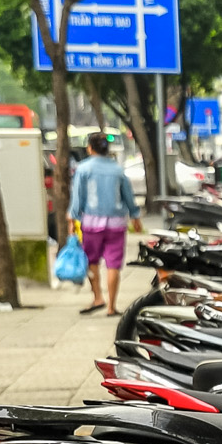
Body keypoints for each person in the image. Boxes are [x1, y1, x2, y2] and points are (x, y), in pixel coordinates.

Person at [67, 132, 143, 317]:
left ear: (90, 148)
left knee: (92, 261)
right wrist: (135, 216)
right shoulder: (118, 169)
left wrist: (73, 218)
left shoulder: (83, 169)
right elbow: (128, 195)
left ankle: (98, 297)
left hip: (91, 223)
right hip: (117, 224)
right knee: (113, 265)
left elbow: (78, 198)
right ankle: (111, 306)